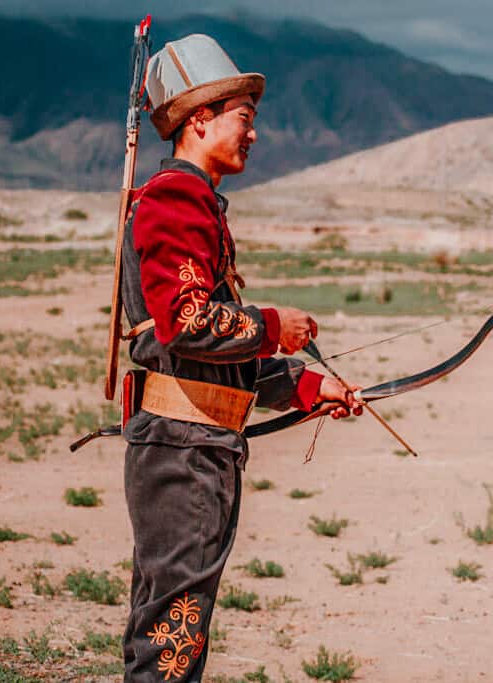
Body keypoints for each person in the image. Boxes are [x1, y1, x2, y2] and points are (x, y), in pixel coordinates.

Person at [117, 34, 362, 682]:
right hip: (183, 451)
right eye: (243, 118)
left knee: (173, 634)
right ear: (200, 118)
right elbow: (189, 323)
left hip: (194, 444)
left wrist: (311, 389)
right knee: (169, 647)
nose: (254, 134)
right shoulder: (176, 199)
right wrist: (275, 324)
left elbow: (215, 360)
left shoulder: (197, 204)